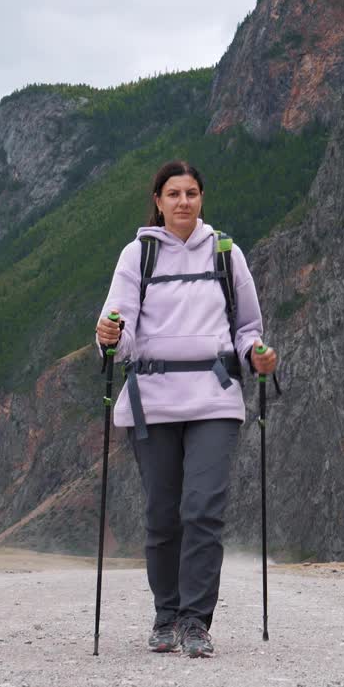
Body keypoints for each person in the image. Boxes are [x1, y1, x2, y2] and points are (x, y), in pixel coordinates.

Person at [94, 159, 278, 658]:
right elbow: (119, 330)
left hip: (214, 398)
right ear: (158, 201)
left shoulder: (226, 254)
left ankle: (196, 621)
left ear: (202, 198)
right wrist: (108, 336)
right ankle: (166, 616)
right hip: (152, 400)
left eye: (191, 192)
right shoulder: (138, 255)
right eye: (173, 193)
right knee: (161, 515)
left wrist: (258, 356)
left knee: (203, 510)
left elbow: (247, 328)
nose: (183, 202)